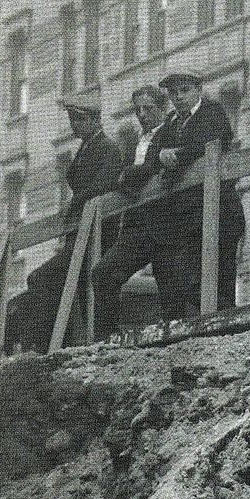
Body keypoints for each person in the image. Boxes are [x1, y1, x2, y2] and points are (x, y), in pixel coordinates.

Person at [4, 89, 125, 352]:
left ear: (94, 120)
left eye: (78, 119)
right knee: (68, 288)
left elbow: (104, 184)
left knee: (43, 278)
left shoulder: (108, 149)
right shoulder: (85, 149)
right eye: (72, 119)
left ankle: (44, 344)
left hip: (98, 235)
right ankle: (58, 344)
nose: (74, 125)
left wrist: (75, 201)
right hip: (78, 236)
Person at [154, 70, 245, 319]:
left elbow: (211, 141)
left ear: (198, 89)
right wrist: (161, 155)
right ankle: (228, 318)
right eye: (173, 93)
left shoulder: (212, 112)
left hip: (221, 211)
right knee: (187, 275)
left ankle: (229, 326)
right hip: (190, 216)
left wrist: (175, 155)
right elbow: (154, 154)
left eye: (185, 90)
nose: (179, 97)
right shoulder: (170, 124)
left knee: (222, 277)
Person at [90, 84, 176, 339]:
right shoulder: (135, 141)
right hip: (136, 227)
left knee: (172, 292)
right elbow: (121, 175)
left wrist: (130, 176)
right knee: (104, 273)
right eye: (137, 109)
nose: (142, 114)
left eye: (148, 108)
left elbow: (151, 169)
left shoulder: (171, 133)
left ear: (162, 108)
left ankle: (176, 346)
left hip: (165, 222)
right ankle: (107, 339)